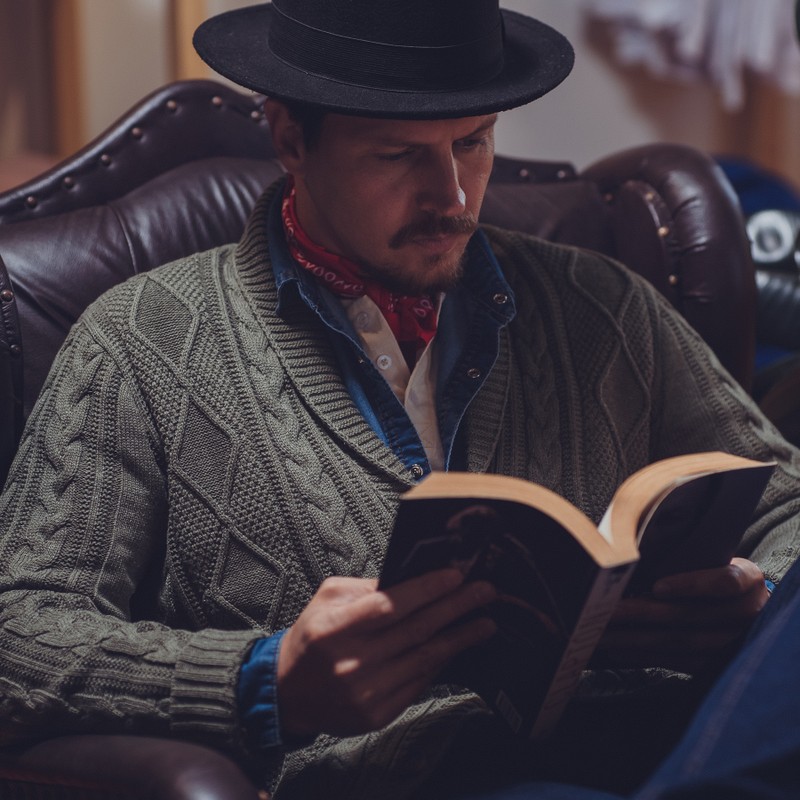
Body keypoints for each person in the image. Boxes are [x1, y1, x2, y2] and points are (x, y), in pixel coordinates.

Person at [0, 1, 798, 798]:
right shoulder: (143, 340)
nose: (451, 196)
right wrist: (265, 679)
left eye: (473, 142)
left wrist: (753, 596)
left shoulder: (602, 305)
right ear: (289, 139)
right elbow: (19, 636)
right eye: (396, 155)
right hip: (421, 772)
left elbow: (786, 503)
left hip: (681, 735)